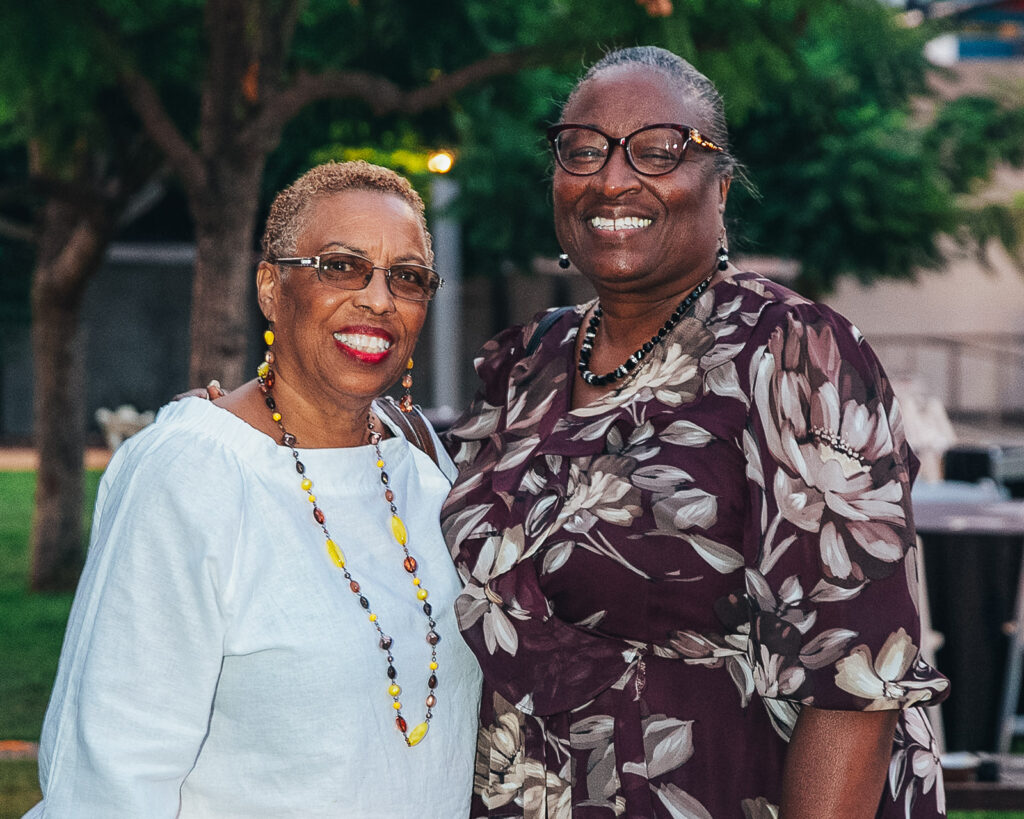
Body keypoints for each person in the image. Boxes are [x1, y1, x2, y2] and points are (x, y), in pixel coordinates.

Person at [440, 47, 949, 818]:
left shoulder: (791, 355)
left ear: (720, 183)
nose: (613, 179)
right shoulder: (527, 365)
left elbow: (855, 681)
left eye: (659, 150)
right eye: (583, 150)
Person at [28, 161, 482, 817]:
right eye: (340, 266)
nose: (378, 299)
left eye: (406, 277)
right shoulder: (192, 474)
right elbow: (109, 782)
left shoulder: (423, 464)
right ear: (271, 284)